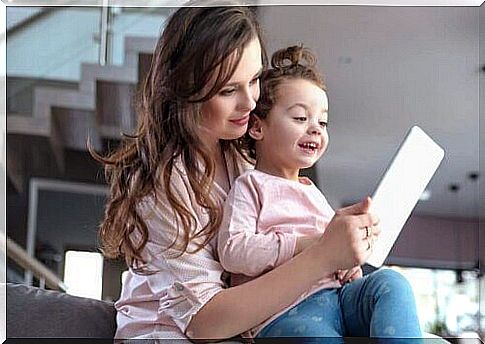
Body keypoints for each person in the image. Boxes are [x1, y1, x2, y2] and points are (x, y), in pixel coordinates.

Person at [92, 3, 394, 341]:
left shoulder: (242, 155)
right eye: (227, 90)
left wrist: (338, 248)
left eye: (254, 80)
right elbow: (203, 321)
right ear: (185, 91)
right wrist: (321, 254)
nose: (250, 102)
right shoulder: (161, 184)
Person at [217, 45, 423, 341]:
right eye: (301, 118)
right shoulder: (250, 186)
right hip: (283, 314)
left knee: (391, 282)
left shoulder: (313, 193)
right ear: (257, 127)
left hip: (339, 299)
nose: (315, 129)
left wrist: (349, 263)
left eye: (322, 122)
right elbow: (234, 252)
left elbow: (334, 253)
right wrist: (306, 245)